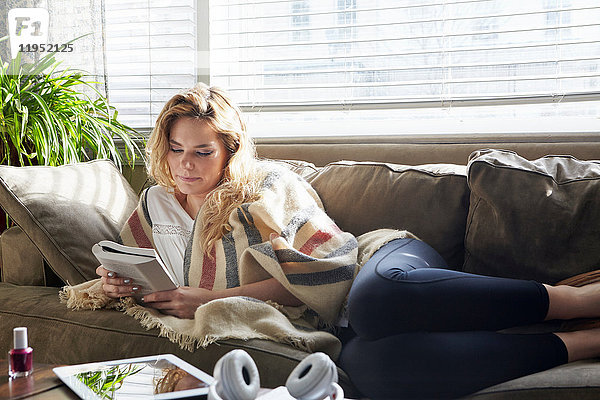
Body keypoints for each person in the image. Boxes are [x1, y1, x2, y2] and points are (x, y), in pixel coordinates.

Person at [96, 83, 600, 399]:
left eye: (203, 151)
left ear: (230, 150)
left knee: (375, 304)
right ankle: (581, 341)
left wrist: (212, 300)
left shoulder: (265, 185)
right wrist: (120, 282)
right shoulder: (155, 204)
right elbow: (141, 265)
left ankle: (577, 298)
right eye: (176, 149)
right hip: (340, 326)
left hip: (373, 264)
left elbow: (317, 274)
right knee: (376, 374)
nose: (186, 164)